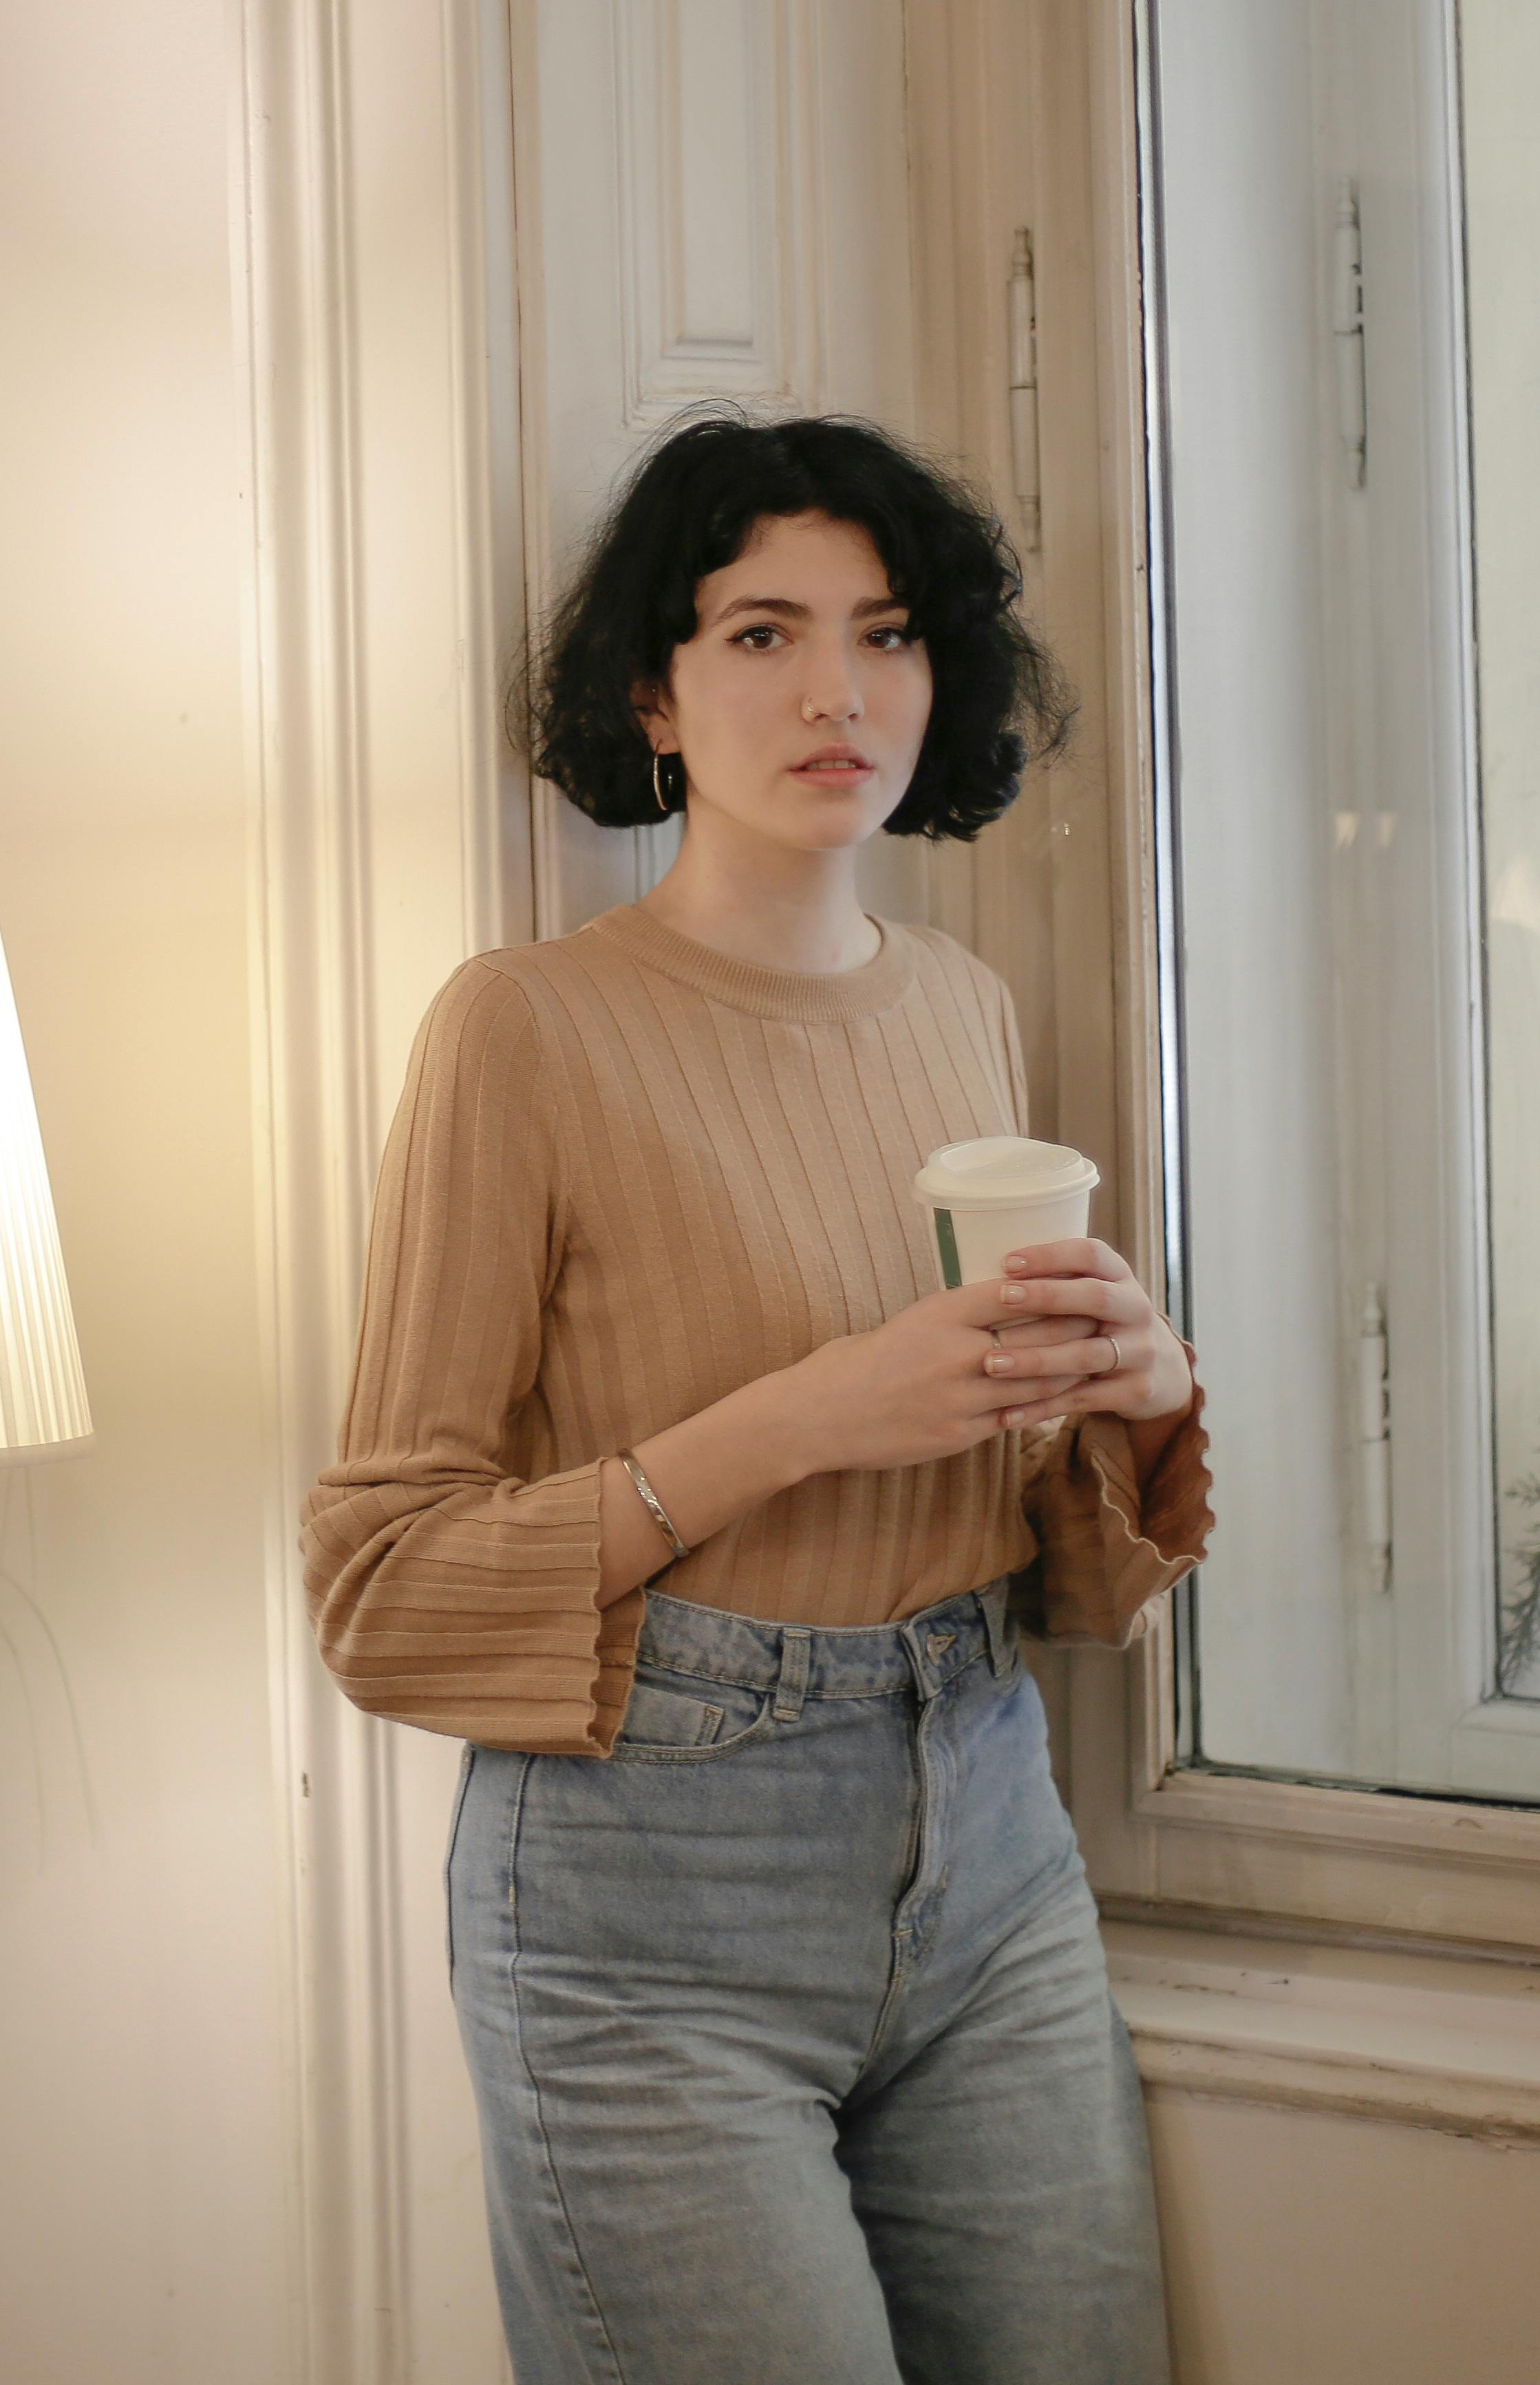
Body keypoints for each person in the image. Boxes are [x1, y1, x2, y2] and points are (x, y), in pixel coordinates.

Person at [302, 414, 1214, 2382]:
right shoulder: (524, 1029)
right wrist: (809, 1412)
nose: (837, 691)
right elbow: (381, 1587)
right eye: (761, 634)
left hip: (989, 1832)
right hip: (645, 1906)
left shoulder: (963, 1005)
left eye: (884, 635)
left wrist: (1133, 1400)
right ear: (655, 685)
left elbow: (1023, 1532)